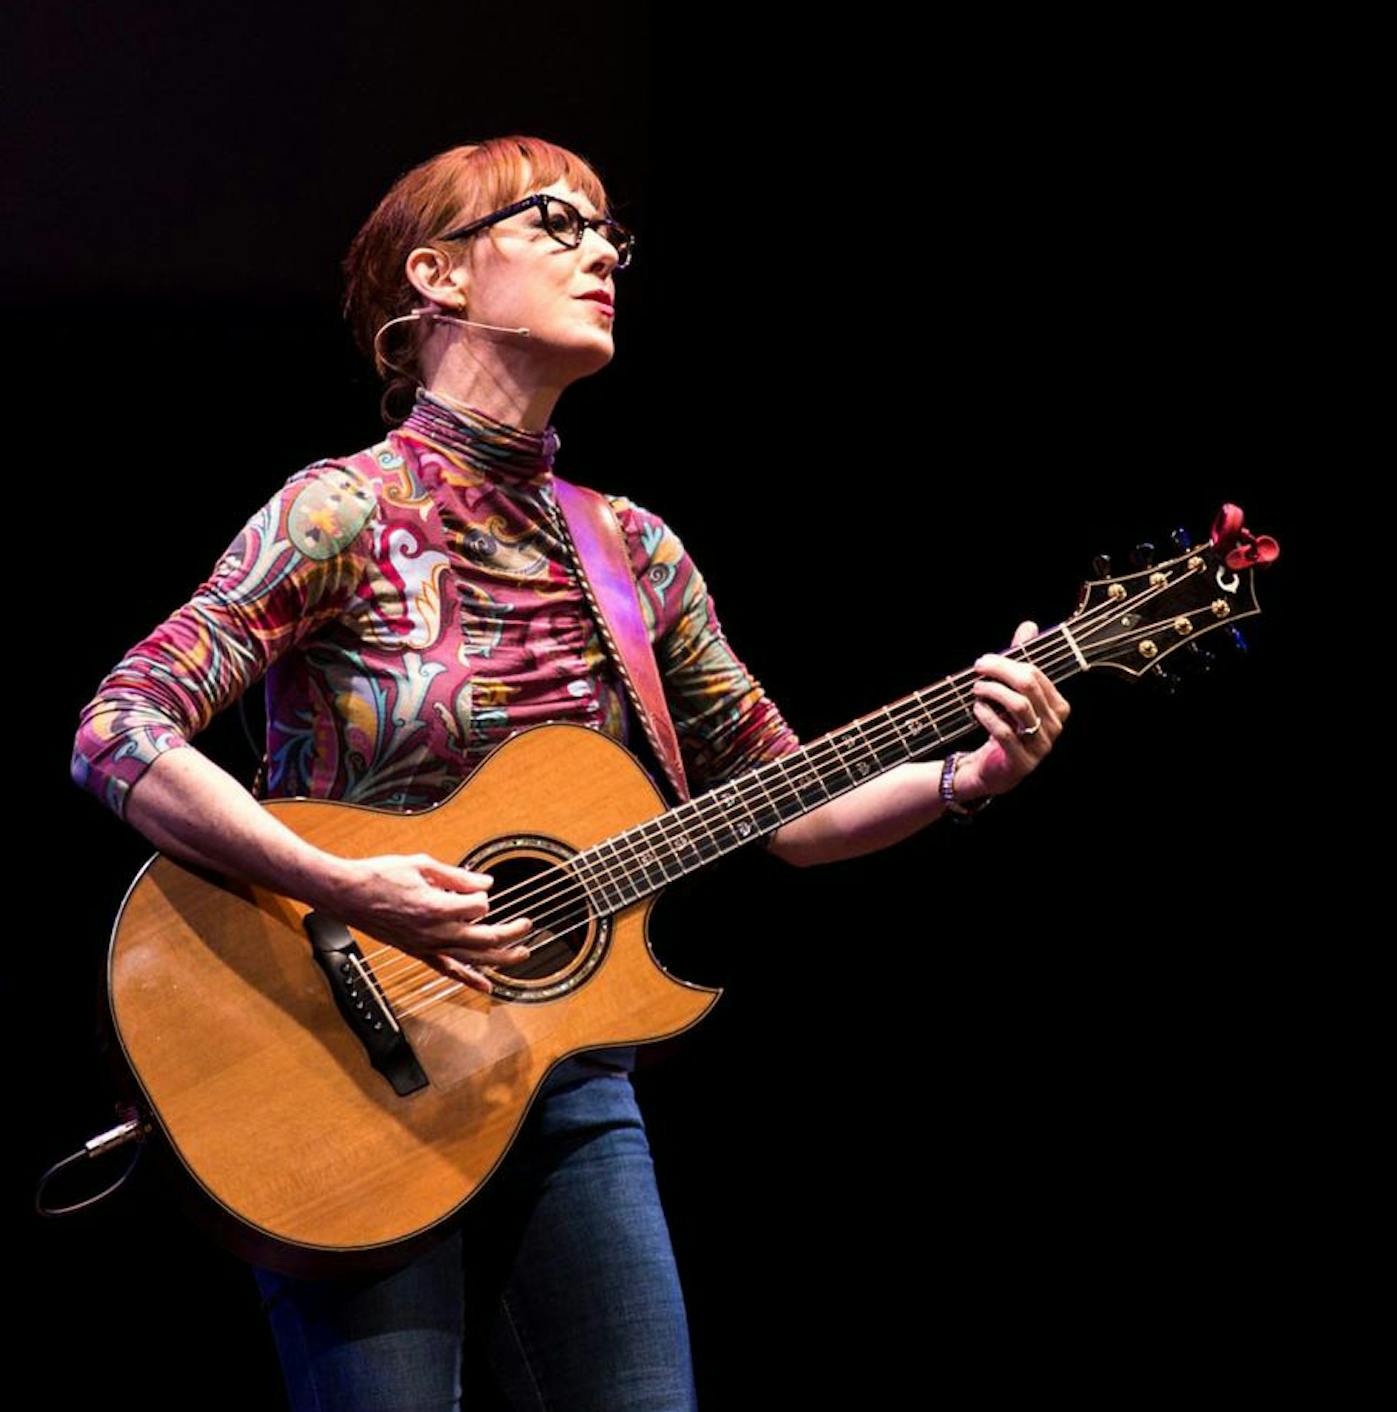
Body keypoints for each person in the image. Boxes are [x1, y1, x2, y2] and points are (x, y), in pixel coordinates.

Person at [70, 135, 1070, 1410]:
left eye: (608, 232)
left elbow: (788, 801)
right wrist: (348, 883)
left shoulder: (635, 553)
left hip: (563, 1078)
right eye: (555, 221)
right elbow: (120, 728)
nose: (602, 250)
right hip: (331, 1060)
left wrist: (963, 778)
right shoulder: (341, 515)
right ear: (435, 275)